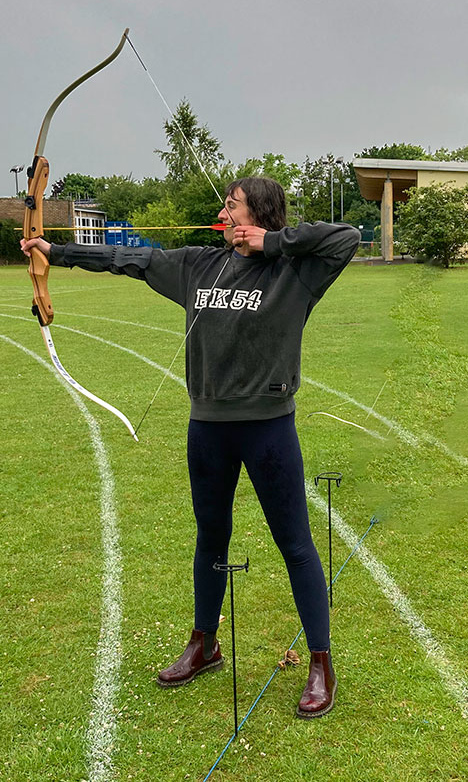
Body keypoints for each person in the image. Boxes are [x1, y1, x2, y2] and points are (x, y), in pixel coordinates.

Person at [21, 177, 360, 719]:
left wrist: (269, 244)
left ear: (260, 215)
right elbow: (129, 257)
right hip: (208, 426)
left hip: (268, 426)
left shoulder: (295, 271)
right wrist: (54, 250)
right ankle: (205, 645)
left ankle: (321, 662)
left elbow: (345, 235)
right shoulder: (198, 265)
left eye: (233, 205)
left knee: (295, 543)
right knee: (212, 537)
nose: (222, 212)